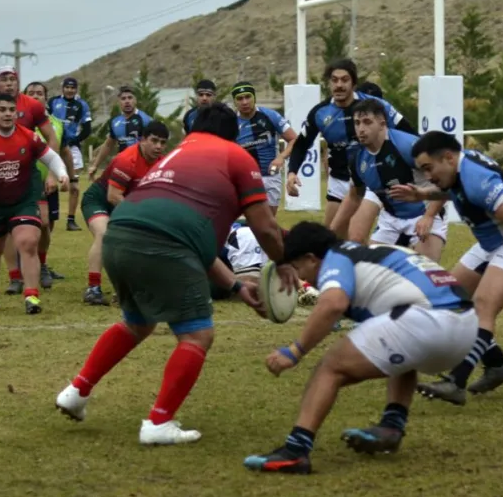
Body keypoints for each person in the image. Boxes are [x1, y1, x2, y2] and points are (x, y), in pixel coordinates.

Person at [55, 103, 299, 445]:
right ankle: (158, 422)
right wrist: (284, 264)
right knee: (197, 335)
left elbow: (195, 245)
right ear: (233, 135)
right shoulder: (236, 156)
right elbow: (266, 228)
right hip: (164, 244)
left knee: (137, 322)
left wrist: (235, 287)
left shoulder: (174, 153)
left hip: (119, 235)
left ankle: (76, 391)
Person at [242, 222, 477, 475]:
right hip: (466, 328)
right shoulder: (364, 253)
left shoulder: (335, 258)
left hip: (429, 322)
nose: (302, 279)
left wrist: (295, 351)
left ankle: (296, 450)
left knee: (330, 368)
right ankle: (392, 425)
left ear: (311, 258)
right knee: (399, 348)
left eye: (298, 269)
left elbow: (333, 304)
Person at [390, 131, 503, 405]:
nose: (428, 176)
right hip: (492, 242)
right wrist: (422, 195)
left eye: (428, 168)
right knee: (449, 301)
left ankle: (456, 382)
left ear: (448, 157)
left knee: (482, 306)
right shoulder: (457, 168)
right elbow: (450, 188)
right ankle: (497, 364)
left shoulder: (478, 179)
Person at [0, 93, 69, 315]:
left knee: (28, 242)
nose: (8, 114)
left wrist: (62, 174)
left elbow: (51, 157)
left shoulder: (28, 136)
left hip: (23, 200)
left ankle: (31, 296)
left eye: (11, 110)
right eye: (2, 110)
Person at [286, 58, 416, 226]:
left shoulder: (376, 106)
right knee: (331, 235)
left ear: (353, 83)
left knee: (360, 232)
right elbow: (301, 144)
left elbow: (408, 132)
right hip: (339, 180)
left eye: (344, 80)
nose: (339, 85)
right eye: (334, 80)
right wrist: (292, 172)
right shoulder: (319, 113)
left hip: (371, 178)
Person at [329, 98, 447, 261]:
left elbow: (446, 182)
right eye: (357, 123)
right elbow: (355, 196)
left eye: (367, 122)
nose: (361, 129)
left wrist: (429, 216)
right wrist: (330, 233)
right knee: (369, 267)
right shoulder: (357, 158)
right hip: (390, 220)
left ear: (382, 124)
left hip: (424, 213)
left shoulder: (407, 146)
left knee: (425, 272)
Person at [79, 121, 170, 305]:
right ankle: (93, 289)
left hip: (126, 202)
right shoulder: (127, 160)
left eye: (162, 142)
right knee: (104, 234)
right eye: (154, 141)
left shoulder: (163, 163)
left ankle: (126, 289)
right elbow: (113, 196)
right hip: (99, 200)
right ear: (142, 140)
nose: (158, 146)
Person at [25, 81, 73, 287]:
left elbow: (64, 151)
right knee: (31, 223)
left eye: (39, 93)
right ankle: (28, 266)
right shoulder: (18, 121)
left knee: (47, 225)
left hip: (49, 181)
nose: (35, 96)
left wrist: (69, 177)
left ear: (46, 97)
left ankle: (41, 264)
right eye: (31, 93)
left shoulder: (57, 124)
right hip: (24, 182)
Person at [232, 81, 298, 215]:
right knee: (248, 221)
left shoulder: (270, 115)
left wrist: (281, 157)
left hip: (270, 176)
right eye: (240, 98)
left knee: (268, 221)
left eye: (248, 97)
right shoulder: (230, 122)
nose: (244, 102)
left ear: (254, 97)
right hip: (245, 179)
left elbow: (294, 139)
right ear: (234, 101)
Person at [47, 76, 93, 232]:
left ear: (76, 89)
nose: (70, 90)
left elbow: (87, 129)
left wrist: (74, 140)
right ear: (63, 88)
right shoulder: (53, 102)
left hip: (71, 147)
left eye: (73, 88)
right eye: (67, 87)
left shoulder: (82, 105)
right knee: (49, 183)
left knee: (75, 185)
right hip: (52, 146)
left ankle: (71, 220)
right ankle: (47, 215)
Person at [85, 85, 152, 180]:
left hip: (141, 168)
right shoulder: (115, 122)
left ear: (135, 100)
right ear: (119, 102)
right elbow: (108, 145)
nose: (127, 101)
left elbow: (154, 144)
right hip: (122, 166)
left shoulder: (145, 120)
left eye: (130, 98)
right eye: (123, 99)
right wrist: (95, 165)